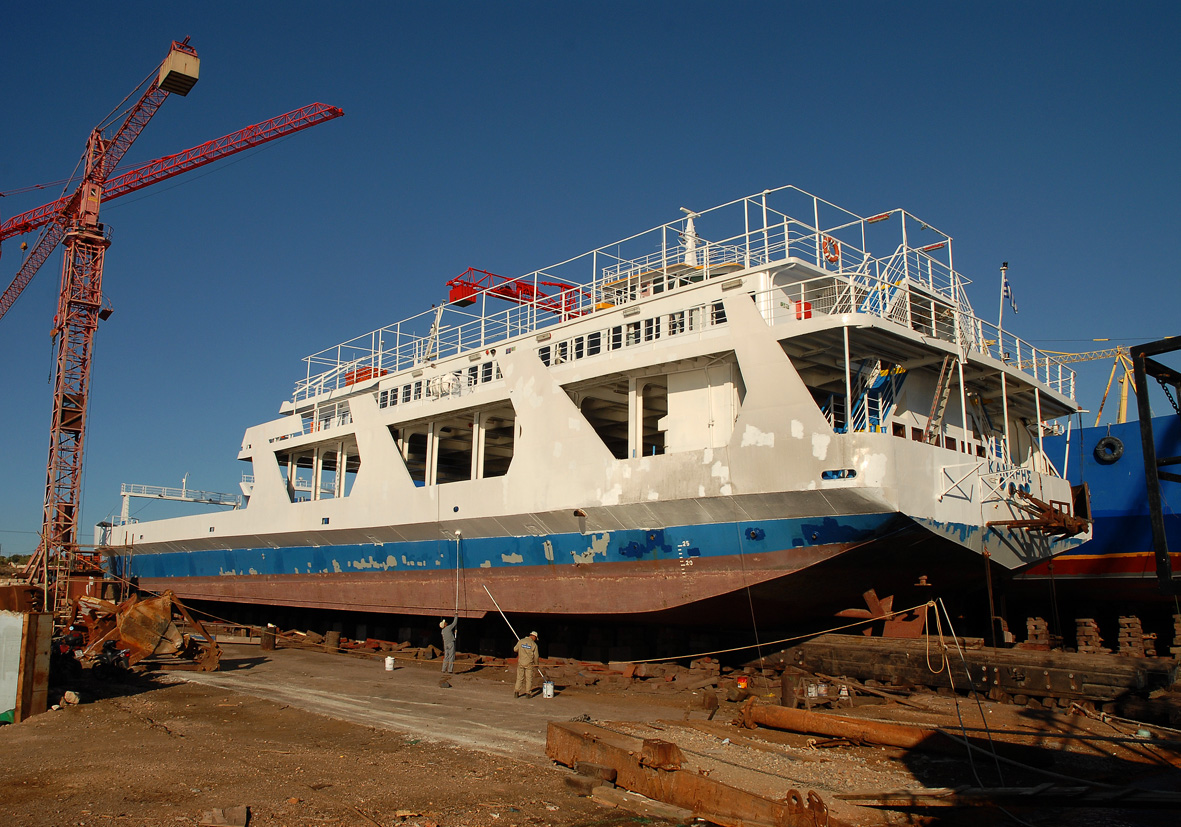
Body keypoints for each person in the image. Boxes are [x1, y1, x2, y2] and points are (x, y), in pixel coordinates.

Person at [512, 631, 540, 698]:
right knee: (529, 679)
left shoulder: (521, 641)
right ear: (534, 637)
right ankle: (528, 693)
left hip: (521, 663)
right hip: (529, 664)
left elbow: (515, 649)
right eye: (535, 638)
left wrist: (521, 649)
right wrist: (536, 664)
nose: (535, 640)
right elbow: (536, 656)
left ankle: (516, 692)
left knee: (519, 678)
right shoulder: (534, 644)